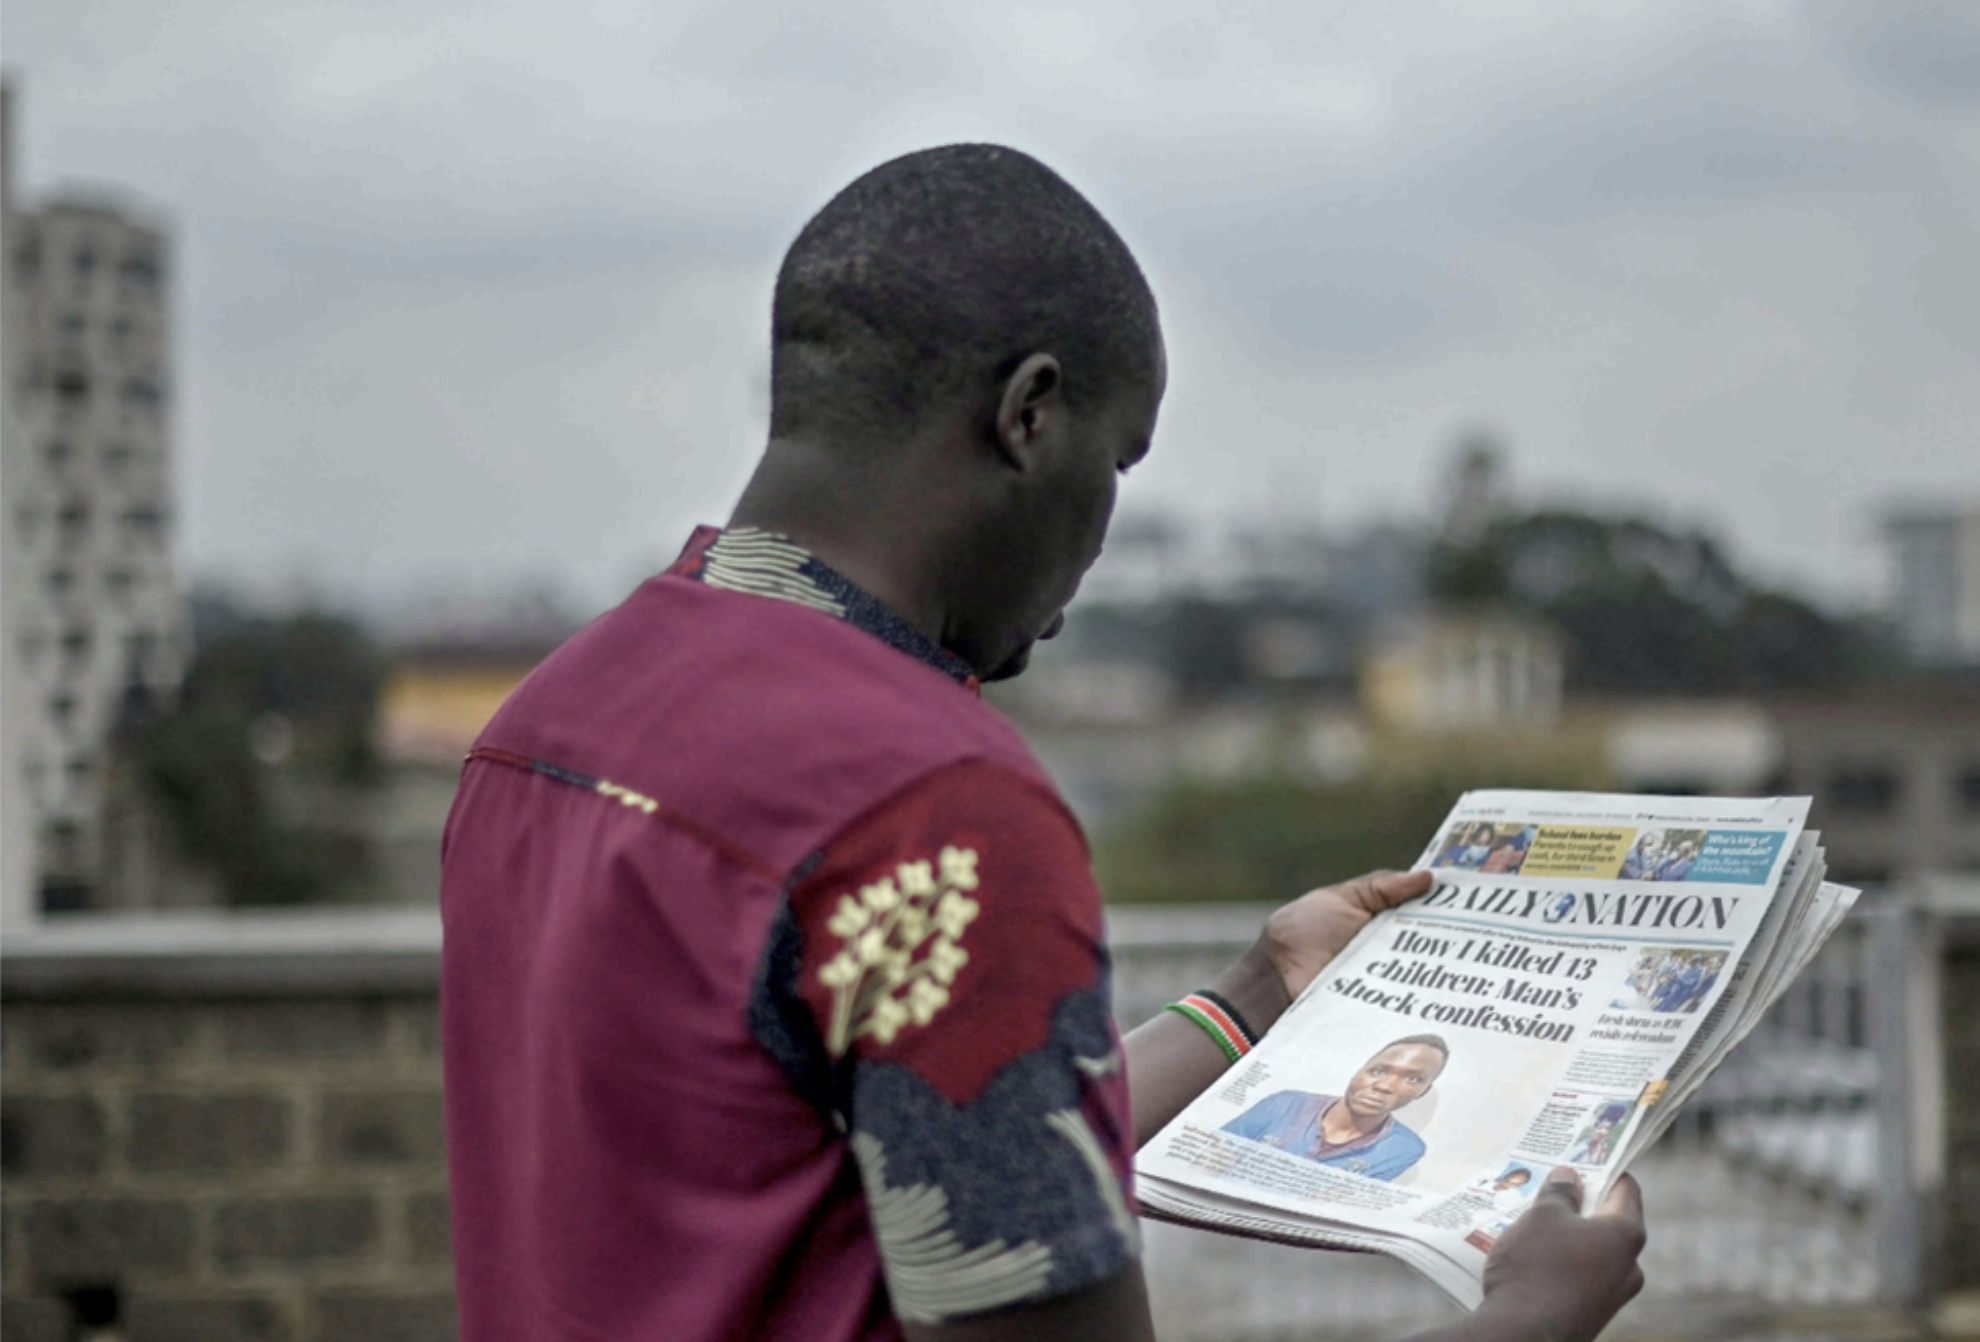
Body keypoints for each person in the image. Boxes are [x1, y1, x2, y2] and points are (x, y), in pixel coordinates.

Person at [440, 144, 1647, 1342]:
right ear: (1029, 415)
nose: (1108, 529)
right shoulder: (930, 800)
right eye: (1117, 460)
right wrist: (1529, 1318)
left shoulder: (546, 721)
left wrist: (1253, 995)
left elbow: (922, 1157)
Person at [1222, 1036, 1449, 1181]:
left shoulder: (1404, 1148)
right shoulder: (1285, 1103)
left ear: (1423, 1092)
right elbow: (1211, 1159)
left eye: (1412, 1079)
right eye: (1378, 1071)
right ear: (1359, 1070)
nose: (1383, 1086)